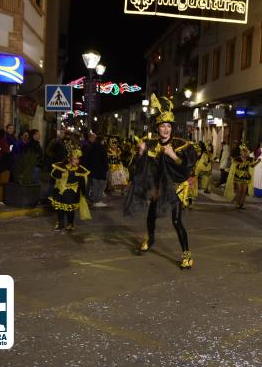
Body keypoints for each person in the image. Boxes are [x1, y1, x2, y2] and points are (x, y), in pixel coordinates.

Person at [124, 94, 198, 269]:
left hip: (176, 188)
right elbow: (139, 168)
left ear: (172, 128)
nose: (165, 129)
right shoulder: (150, 144)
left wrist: (172, 154)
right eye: (162, 126)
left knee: (177, 221)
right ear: (157, 128)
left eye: (168, 126)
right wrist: (141, 153)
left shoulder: (181, 144)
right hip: (159, 188)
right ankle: (150, 238)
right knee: (151, 216)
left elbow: (185, 168)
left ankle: (186, 254)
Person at [49, 149, 91, 231]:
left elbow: (83, 184)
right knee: (60, 208)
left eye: (78, 159)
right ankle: (60, 223)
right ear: (69, 159)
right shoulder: (61, 166)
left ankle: (70, 223)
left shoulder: (80, 170)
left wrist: (85, 194)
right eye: (75, 158)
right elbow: (53, 176)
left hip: (72, 192)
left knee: (70, 209)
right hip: (60, 191)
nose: (77, 161)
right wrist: (61, 173)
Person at [225, 143, 259, 209]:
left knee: (244, 191)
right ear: (241, 152)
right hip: (238, 176)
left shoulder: (249, 159)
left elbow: (252, 166)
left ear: (247, 152)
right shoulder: (237, 159)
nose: (244, 153)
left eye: (245, 152)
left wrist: (257, 162)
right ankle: (237, 203)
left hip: (246, 176)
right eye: (243, 152)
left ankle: (241, 204)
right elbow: (233, 168)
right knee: (239, 190)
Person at [82, 133, 108, 207]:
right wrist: (106, 168)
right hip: (100, 171)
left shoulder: (91, 146)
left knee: (94, 186)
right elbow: (104, 159)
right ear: (102, 140)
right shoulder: (102, 147)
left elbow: (87, 158)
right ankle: (97, 200)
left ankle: (93, 200)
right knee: (101, 186)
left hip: (92, 170)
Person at [0, 129, 12, 203]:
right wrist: (10, 147)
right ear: (4, 135)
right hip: (3, 164)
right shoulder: (3, 142)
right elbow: (8, 151)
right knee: (2, 183)